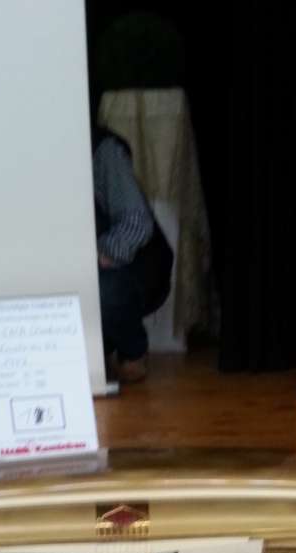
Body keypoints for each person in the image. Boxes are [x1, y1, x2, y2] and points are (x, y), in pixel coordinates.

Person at [93, 127, 173, 383]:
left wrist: (94, 257)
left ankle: (132, 352)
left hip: (127, 267)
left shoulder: (101, 150)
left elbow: (136, 224)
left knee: (104, 289)